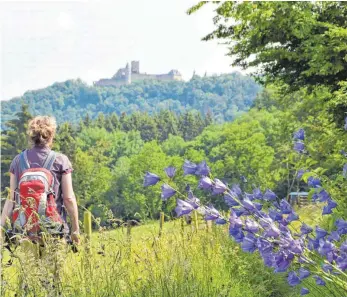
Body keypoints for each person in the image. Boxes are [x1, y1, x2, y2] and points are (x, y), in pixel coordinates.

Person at [0, 115, 80, 246]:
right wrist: (75, 229)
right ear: (51, 135)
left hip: (24, 233)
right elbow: (69, 199)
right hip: (54, 232)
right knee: (54, 266)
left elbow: (11, 200)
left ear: (31, 136)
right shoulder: (60, 160)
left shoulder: (17, 161)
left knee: (30, 266)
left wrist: (2, 229)